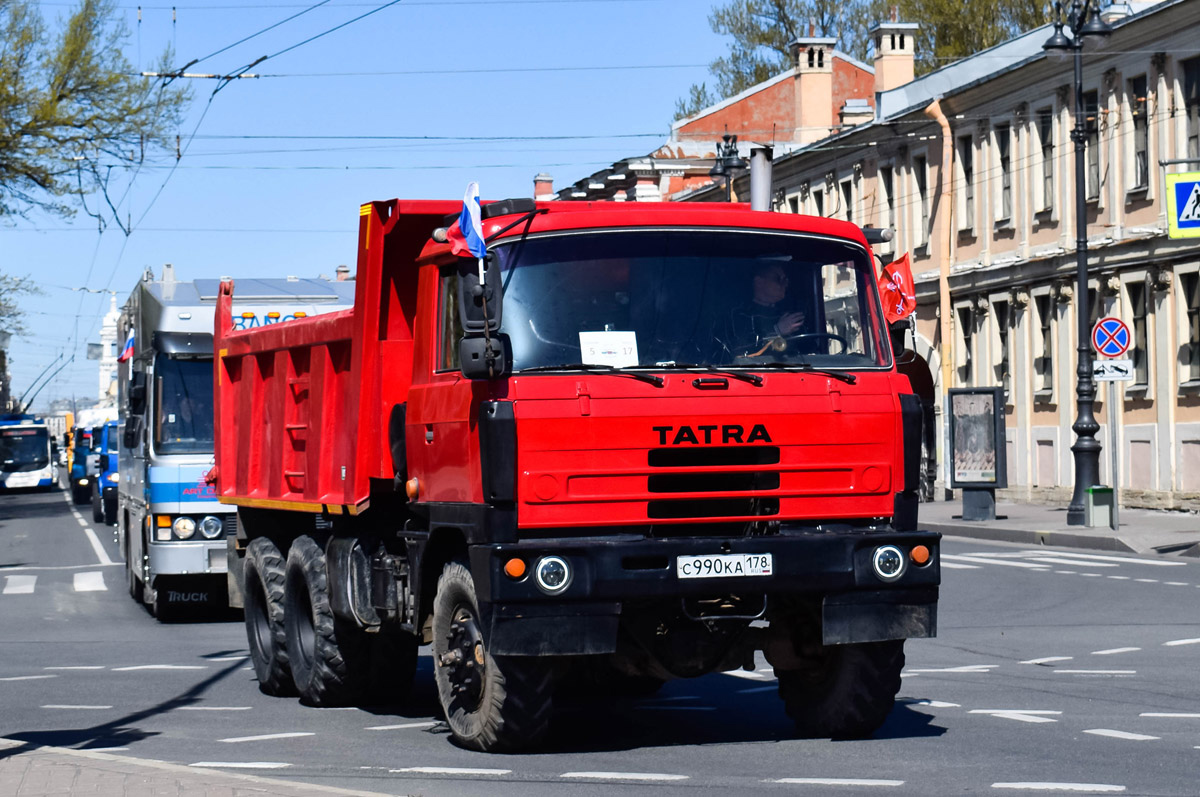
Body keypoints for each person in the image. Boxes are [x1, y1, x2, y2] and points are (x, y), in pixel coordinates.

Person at [718, 262, 807, 357]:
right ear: (759, 282)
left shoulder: (787, 313)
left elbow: (811, 352)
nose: (785, 284)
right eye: (778, 279)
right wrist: (777, 331)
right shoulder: (738, 315)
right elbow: (740, 353)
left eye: (786, 280)